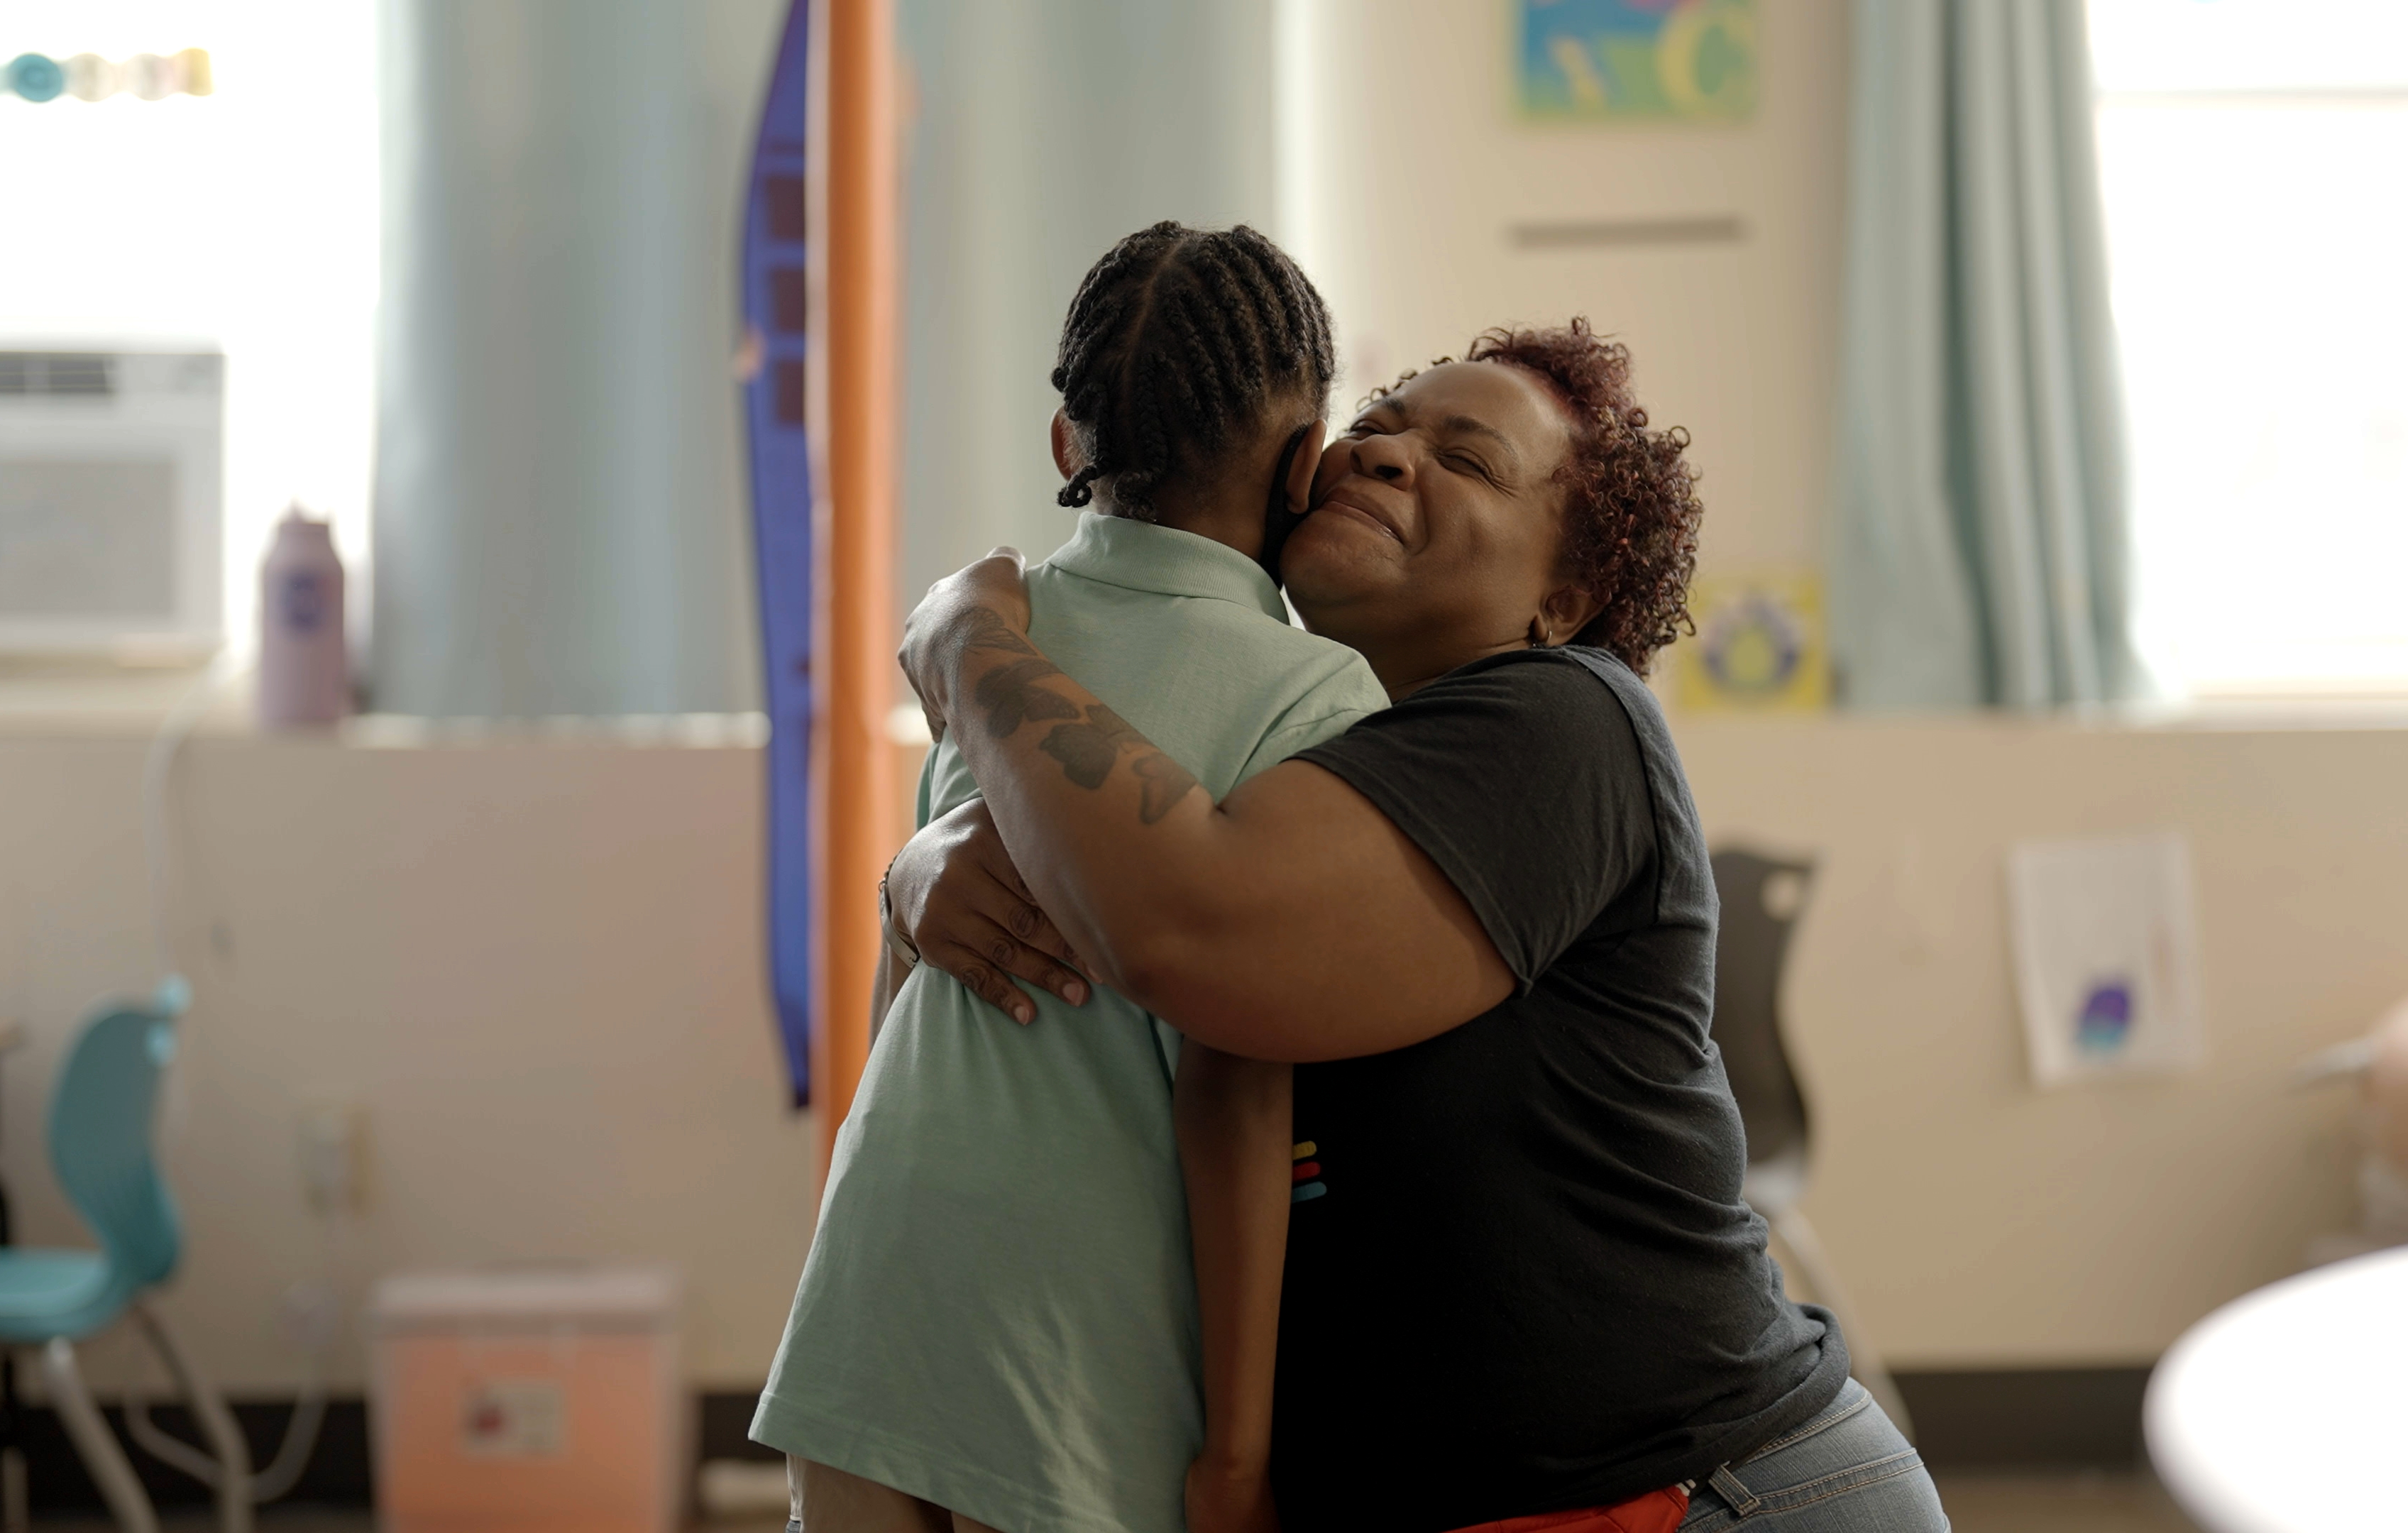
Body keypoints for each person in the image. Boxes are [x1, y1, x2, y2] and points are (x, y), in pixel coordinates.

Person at [889, 322, 1950, 1532]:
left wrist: (967, 639)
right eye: (1378, 425)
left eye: (1470, 460)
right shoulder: (1284, 747)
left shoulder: (1566, 719)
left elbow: (1192, 932)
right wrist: (917, 872)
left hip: (1711, 1494)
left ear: (1563, 599)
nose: (1385, 455)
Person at [754, 223, 1392, 1533]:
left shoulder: (998, 635)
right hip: (1071, 1339)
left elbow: (915, 974)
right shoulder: (1320, 692)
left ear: (1067, 447)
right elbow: (1236, 1085)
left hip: (871, 1284)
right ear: (1304, 464)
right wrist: (1238, 1455)